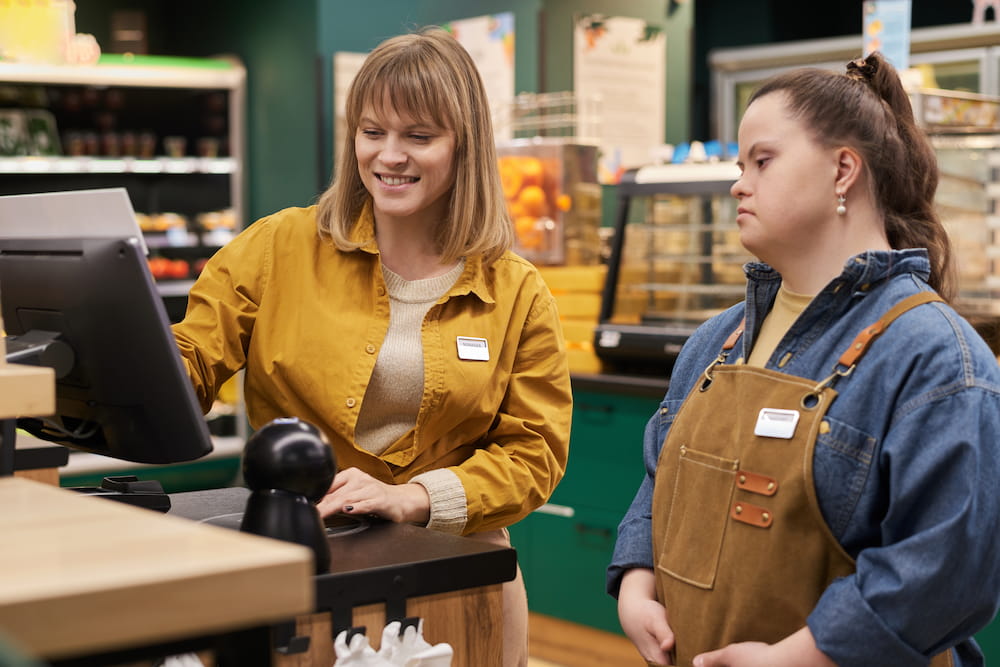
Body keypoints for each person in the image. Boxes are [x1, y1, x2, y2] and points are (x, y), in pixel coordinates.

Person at [172, 27, 572, 667]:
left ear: (463, 146)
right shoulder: (280, 248)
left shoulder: (516, 292)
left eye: (419, 136)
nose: (390, 155)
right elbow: (190, 357)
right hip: (300, 559)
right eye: (372, 131)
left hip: (460, 573)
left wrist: (415, 497)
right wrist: (116, 367)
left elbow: (535, 452)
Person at [607, 51, 1000, 667]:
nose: (739, 182)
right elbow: (660, 480)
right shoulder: (716, 341)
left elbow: (947, 571)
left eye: (762, 161)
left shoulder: (936, 360)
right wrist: (635, 582)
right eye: (741, 165)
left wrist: (802, 655)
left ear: (844, 169)